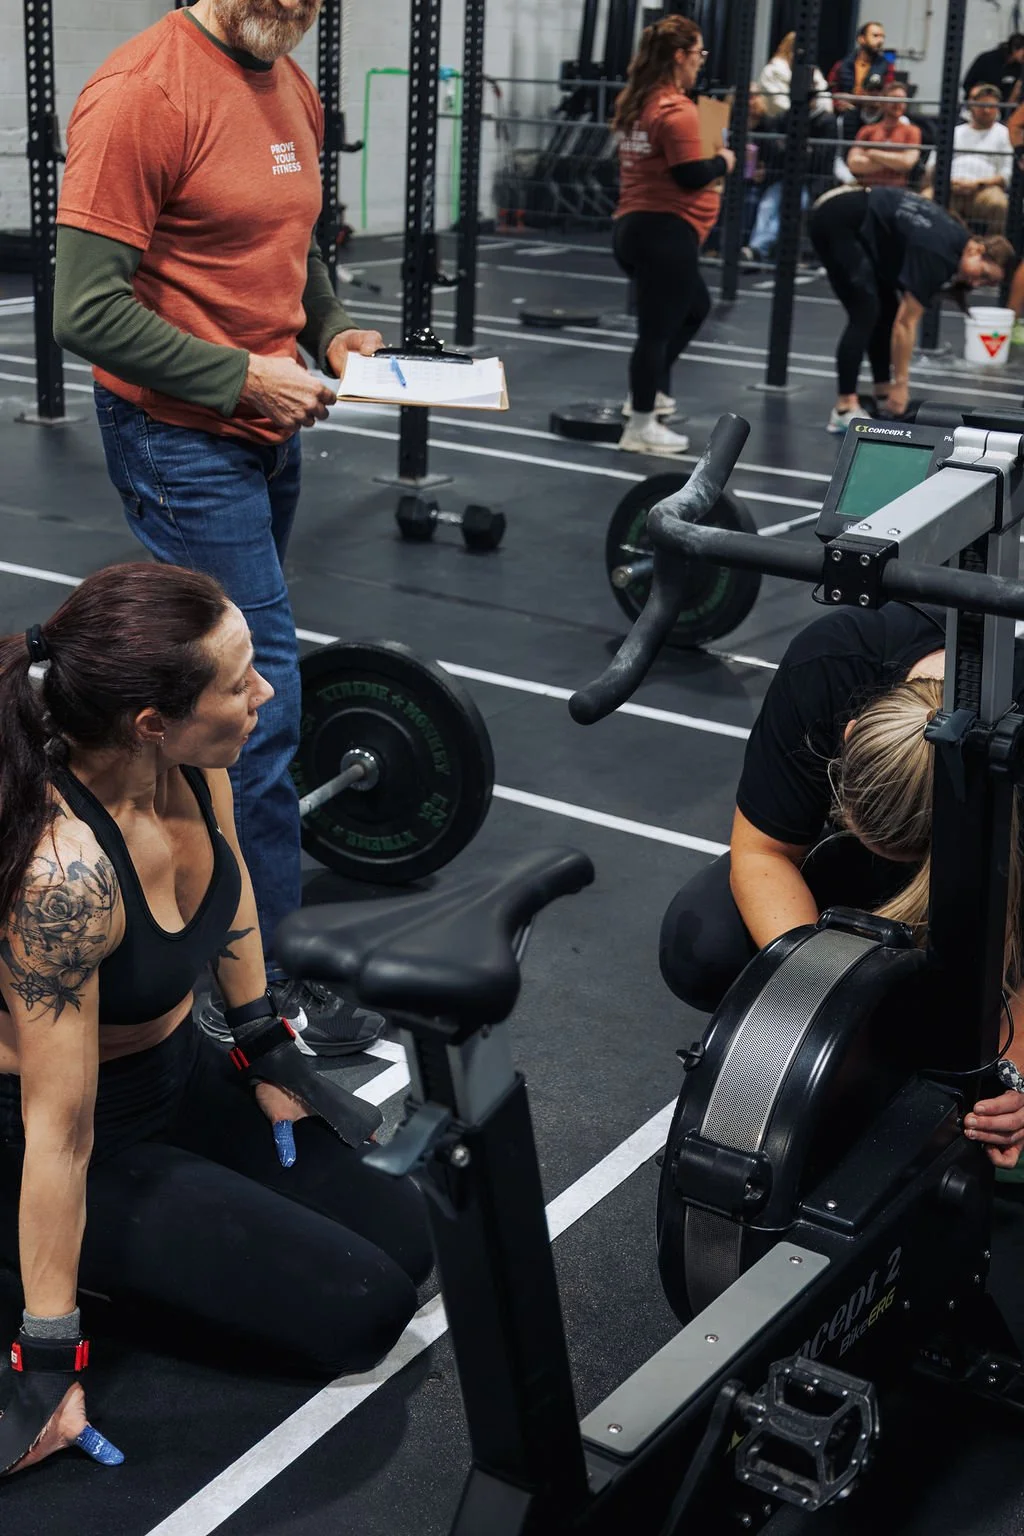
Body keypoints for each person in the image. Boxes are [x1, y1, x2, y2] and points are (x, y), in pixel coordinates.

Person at [0, 563, 432, 1476]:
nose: (266, 691)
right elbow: (59, 1129)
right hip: (67, 1134)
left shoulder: (190, 766)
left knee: (412, 1238)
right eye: (238, 684)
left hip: (176, 1071)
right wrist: (47, 1357)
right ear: (152, 720)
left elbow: (227, 901)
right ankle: (48, 1272)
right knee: (360, 1310)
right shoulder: (61, 879)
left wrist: (268, 1047)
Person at [52, 0, 386, 1050]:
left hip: (266, 423)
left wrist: (330, 331)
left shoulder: (289, 79)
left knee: (221, 689)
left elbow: (298, 249)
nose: (295, 8)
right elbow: (83, 310)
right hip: (179, 433)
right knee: (255, 700)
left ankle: (180, 878)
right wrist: (240, 374)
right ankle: (264, 983)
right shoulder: (141, 94)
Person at [657, 601, 1024, 1169]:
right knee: (704, 946)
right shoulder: (833, 661)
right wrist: (828, 1005)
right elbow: (762, 852)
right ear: (848, 735)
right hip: (894, 862)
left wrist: (1016, 1075)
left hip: (999, 873)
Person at [611, 15, 735, 456]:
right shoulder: (678, 110)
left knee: (695, 306)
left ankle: (650, 391)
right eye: (698, 53)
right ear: (680, 56)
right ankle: (640, 423)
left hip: (635, 228)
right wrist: (724, 160)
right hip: (663, 230)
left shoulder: (637, 101)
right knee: (654, 332)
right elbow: (689, 175)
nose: (701, 62)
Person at [808, 186, 1014, 433]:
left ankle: (882, 393)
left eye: (986, 283)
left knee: (885, 307)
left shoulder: (955, 241)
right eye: (983, 275)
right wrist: (902, 384)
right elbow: (905, 325)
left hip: (852, 216)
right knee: (865, 310)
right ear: (977, 250)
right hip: (838, 217)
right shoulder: (940, 255)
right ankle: (844, 408)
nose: (976, 284)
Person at [944, 85, 1012, 235]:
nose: (987, 110)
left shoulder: (1004, 134)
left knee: (999, 205)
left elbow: (1007, 174)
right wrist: (950, 182)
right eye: (982, 105)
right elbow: (934, 165)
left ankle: (993, 252)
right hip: (951, 187)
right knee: (926, 199)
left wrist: (978, 183)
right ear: (972, 106)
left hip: (985, 189)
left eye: (992, 106)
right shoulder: (956, 133)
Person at [847, 83, 922, 189]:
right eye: (894, 99)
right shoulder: (867, 130)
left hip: (897, 192)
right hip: (868, 190)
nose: (898, 103)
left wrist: (872, 153)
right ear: (883, 102)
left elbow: (907, 163)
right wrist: (894, 163)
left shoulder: (912, 131)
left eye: (902, 100)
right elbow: (854, 164)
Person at [757, 31, 832, 119]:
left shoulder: (814, 73)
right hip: (780, 118)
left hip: (811, 115)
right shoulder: (772, 71)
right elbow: (777, 103)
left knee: (828, 120)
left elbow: (824, 99)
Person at [827, 21, 895, 103]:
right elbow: (830, 91)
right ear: (861, 39)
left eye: (883, 37)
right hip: (845, 112)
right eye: (875, 36)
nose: (881, 41)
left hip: (871, 112)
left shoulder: (887, 66)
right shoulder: (842, 65)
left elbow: (889, 94)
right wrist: (838, 104)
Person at [963, 33, 1024, 104]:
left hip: (1004, 109)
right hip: (980, 105)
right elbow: (968, 84)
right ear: (1015, 49)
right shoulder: (986, 60)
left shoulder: (1019, 67)